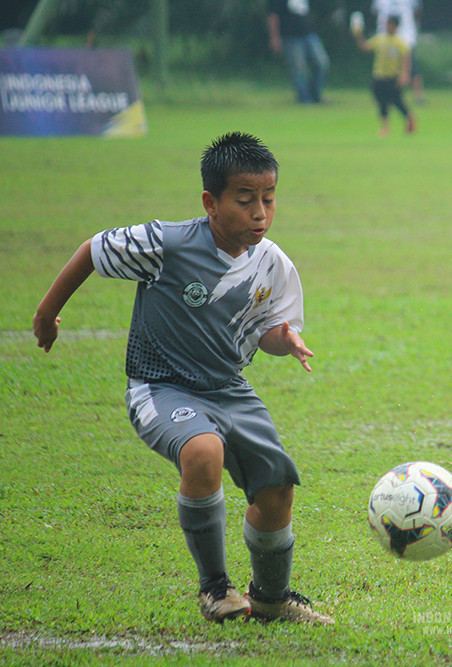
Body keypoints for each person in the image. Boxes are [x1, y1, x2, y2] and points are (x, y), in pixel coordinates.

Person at [32, 132, 334, 626]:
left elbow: (267, 333)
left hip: (229, 390)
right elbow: (93, 249)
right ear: (210, 203)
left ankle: (273, 598)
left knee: (277, 485)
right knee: (203, 450)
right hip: (161, 387)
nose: (260, 213)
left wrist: (286, 338)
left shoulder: (272, 264)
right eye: (245, 200)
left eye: (269, 199)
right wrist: (47, 314)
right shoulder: (165, 244)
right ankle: (215, 589)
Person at [352, 14, 415, 136]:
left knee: (397, 101)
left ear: (396, 26)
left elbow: (406, 60)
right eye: (387, 24)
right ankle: (385, 127)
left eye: (391, 24)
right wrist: (358, 34)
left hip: (393, 77)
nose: (388, 27)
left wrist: (404, 75)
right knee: (381, 102)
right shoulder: (380, 39)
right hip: (379, 76)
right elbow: (365, 47)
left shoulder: (400, 43)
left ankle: (410, 117)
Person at [268, 0, 330, 104]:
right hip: (291, 35)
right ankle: (304, 99)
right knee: (298, 69)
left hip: (309, 33)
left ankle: (316, 96)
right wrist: (274, 37)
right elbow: (273, 16)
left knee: (322, 63)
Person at [371, 0, 424, 104]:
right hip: (392, 38)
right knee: (387, 69)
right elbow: (417, 13)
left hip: (404, 37)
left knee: (411, 68)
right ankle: (391, 95)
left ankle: (416, 95)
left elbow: (375, 12)